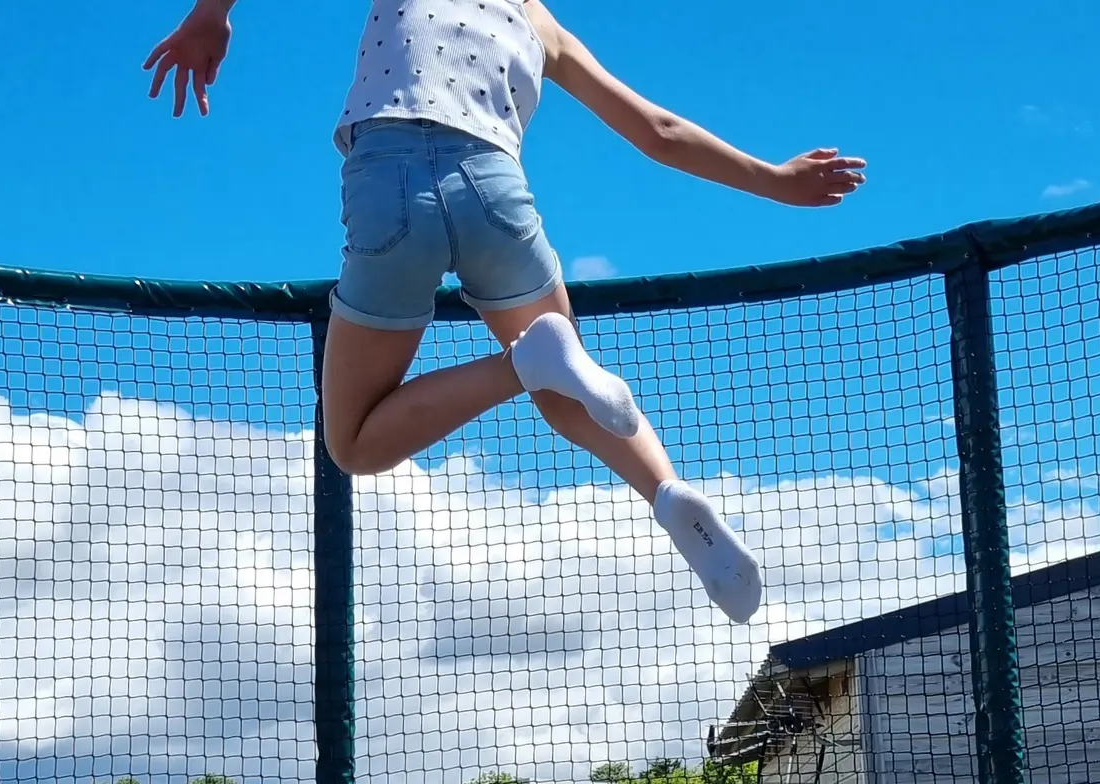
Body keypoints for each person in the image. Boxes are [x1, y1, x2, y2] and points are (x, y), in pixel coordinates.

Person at [143, 0, 865, 623]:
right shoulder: (539, 24)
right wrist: (774, 181)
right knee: (569, 395)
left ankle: (524, 363)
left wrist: (212, 16)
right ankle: (665, 490)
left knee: (356, 442)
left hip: (388, 182)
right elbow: (657, 130)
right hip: (495, 188)